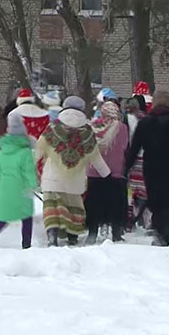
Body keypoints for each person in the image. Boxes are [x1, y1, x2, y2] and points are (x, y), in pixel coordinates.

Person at [37, 96, 111, 247]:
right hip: (75, 181)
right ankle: (72, 237)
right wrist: (107, 174)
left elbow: (38, 150)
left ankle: (52, 237)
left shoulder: (53, 127)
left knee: (52, 208)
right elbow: (96, 157)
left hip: (52, 179)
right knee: (74, 209)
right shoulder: (87, 131)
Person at [125, 91, 169, 247]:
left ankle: (159, 231)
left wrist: (127, 167)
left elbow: (134, 148)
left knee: (156, 204)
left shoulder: (145, 123)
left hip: (150, 171)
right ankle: (161, 232)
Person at [0, 113, 37, 249]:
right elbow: (29, 173)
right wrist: (32, 187)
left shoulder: (1, 153)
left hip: (4, 190)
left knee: (3, 218)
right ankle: (26, 245)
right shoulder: (25, 153)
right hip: (22, 191)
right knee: (26, 218)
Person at [85, 101, 130, 244]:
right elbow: (125, 146)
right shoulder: (122, 128)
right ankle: (116, 233)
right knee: (116, 205)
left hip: (94, 172)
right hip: (116, 172)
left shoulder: (92, 127)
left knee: (94, 205)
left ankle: (92, 233)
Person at [125, 97, 150, 231]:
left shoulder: (123, 119)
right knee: (144, 190)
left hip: (130, 158)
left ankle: (131, 219)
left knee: (130, 191)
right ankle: (145, 219)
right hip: (144, 158)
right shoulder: (146, 119)